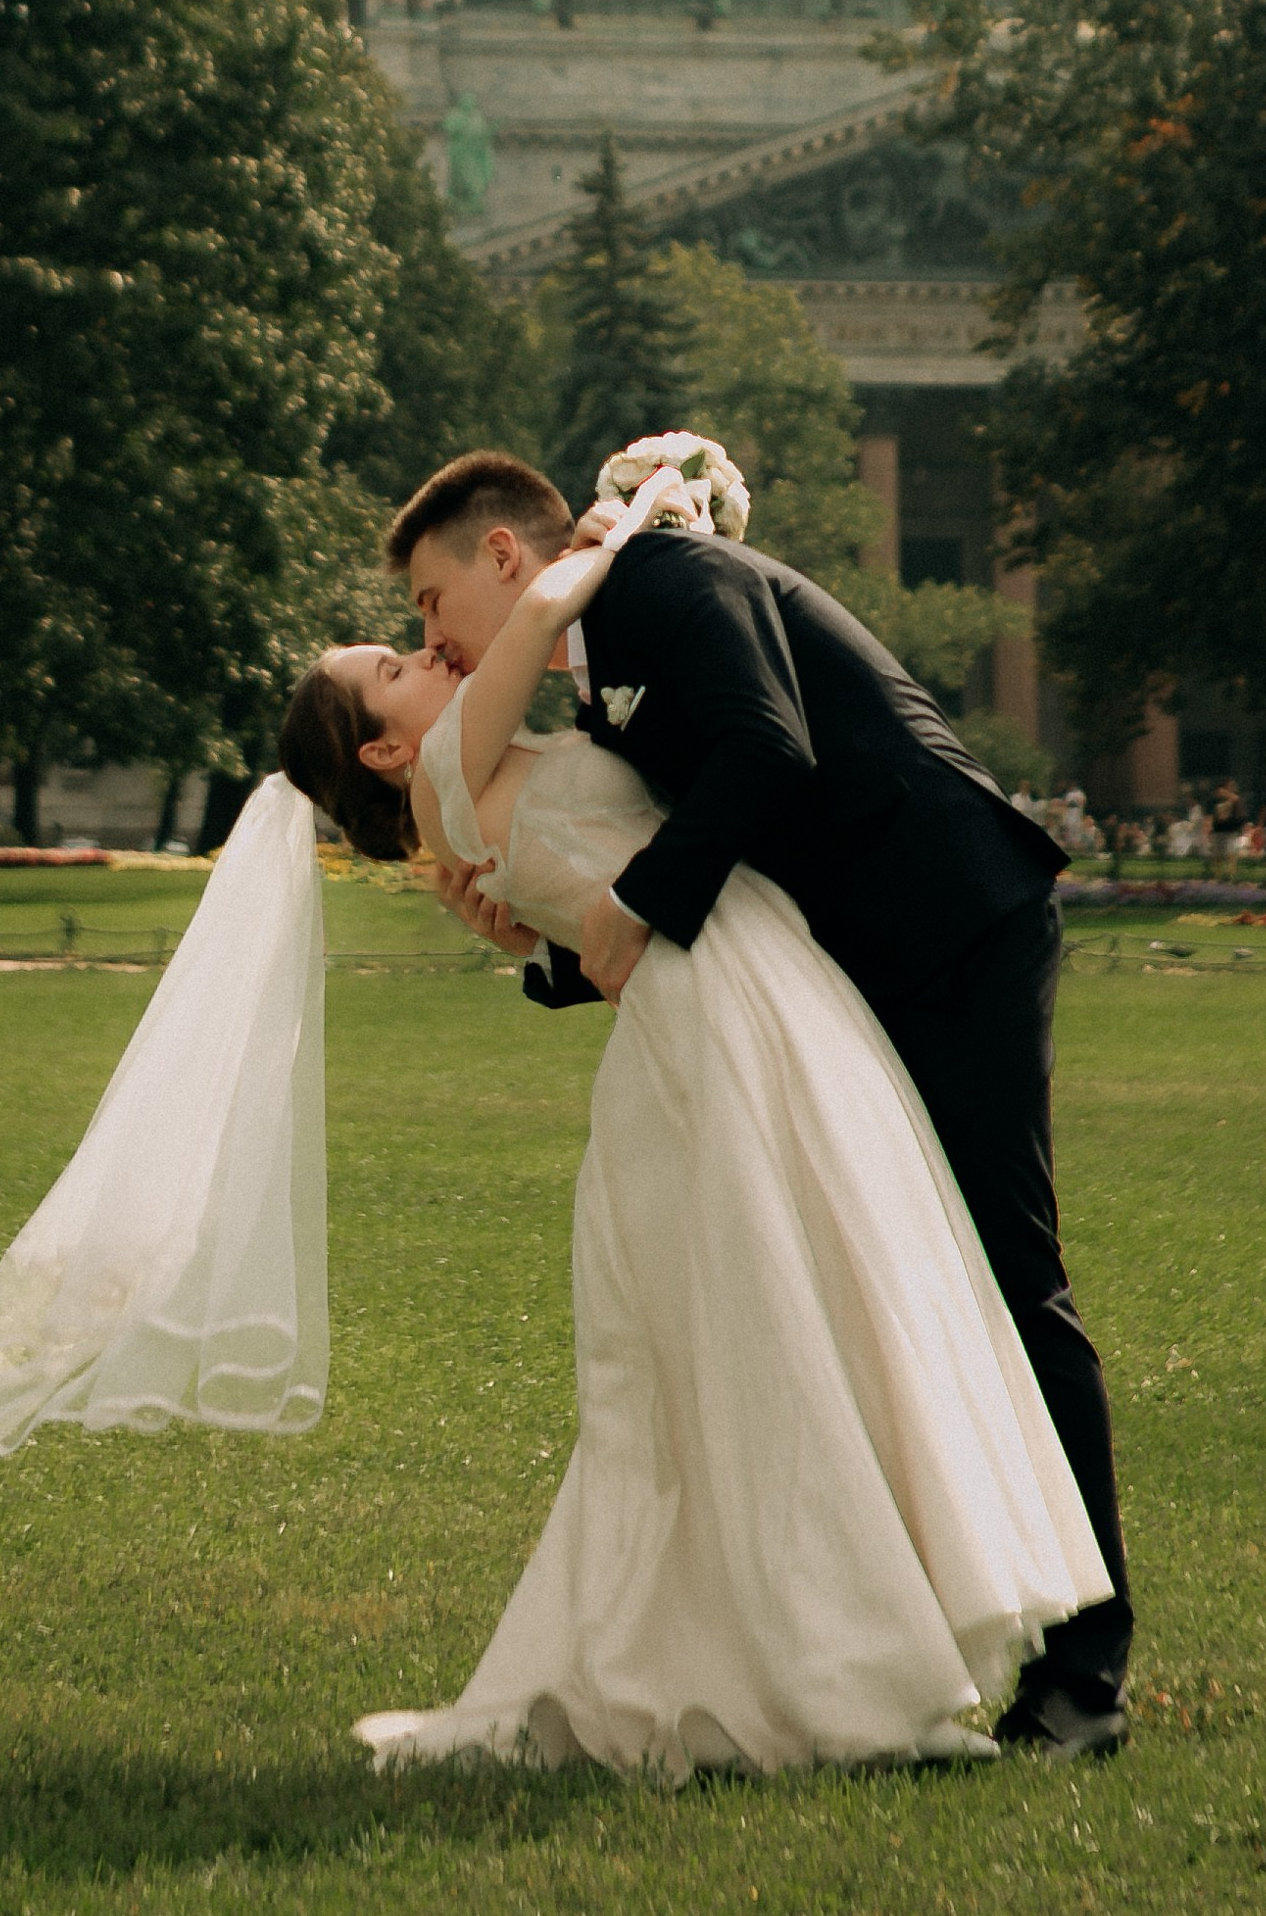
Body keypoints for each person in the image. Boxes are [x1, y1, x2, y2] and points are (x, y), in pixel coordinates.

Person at [290, 466, 1106, 1775]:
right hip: (794, 989)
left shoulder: (667, 584)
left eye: (428, 605)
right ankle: (863, 1639)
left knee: (1003, 1278)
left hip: (947, 924)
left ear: (502, 555)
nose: (429, 637)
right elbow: (643, 845)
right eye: (401, 649)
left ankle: (1081, 1674)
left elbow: (760, 756)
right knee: (831, 1308)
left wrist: (613, 914)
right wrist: (567, 939)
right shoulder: (564, 664)